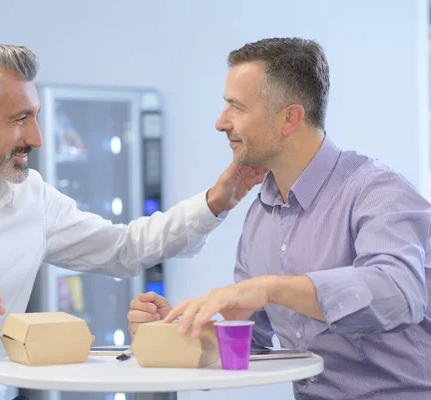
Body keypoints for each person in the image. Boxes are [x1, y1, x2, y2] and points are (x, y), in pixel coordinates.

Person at [0, 44, 265, 400]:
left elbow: (124, 248)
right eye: (20, 119)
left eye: (35, 115)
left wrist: (216, 201)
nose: (37, 138)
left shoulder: (30, 198)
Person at [128, 37, 431, 399]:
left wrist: (271, 288)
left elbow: (399, 295)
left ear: (290, 118)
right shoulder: (261, 215)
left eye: (236, 107)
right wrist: (175, 330)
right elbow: (246, 344)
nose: (220, 122)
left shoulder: (377, 191)